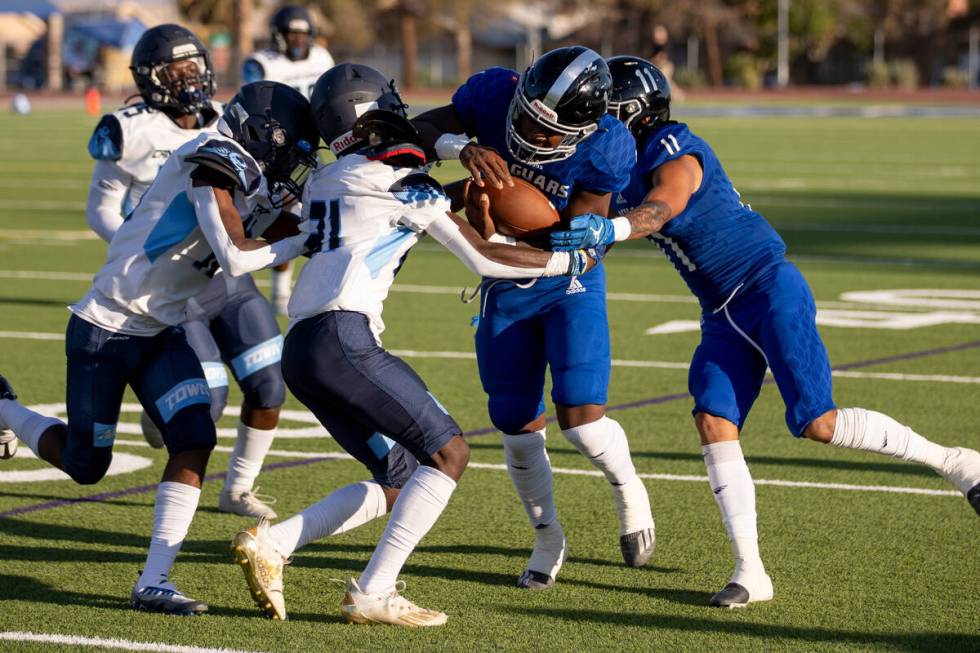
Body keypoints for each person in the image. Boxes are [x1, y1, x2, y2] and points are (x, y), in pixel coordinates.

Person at [551, 55, 980, 608]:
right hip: (721, 312)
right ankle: (751, 571)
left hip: (766, 288)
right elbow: (598, 227)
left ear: (632, 111)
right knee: (713, 418)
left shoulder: (673, 147)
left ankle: (955, 463)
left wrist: (610, 226)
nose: (592, 120)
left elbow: (663, 205)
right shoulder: (615, 161)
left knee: (818, 424)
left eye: (603, 110)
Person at [230, 63, 599, 626]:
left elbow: (393, 205)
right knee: (450, 453)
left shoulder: (333, 177)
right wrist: (569, 260)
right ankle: (373, 591)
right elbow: (483, 258)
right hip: (344, 338)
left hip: (303, 349)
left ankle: (274, 544)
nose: (400, 115)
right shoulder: (401, 182)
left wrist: (460, 187)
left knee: (402, 478)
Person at [0, 81, 318, 615]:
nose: (298, 159)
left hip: (161, 331)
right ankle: (4, 406)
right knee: (86, 465)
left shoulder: (253, 176)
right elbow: (238, 256)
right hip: (107, 328)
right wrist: (308, 237)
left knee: (194, 437)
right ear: (265, 133)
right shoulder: (211, 158)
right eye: (295, 145)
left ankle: (154, 581)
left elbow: (295, 221)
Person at [409, 46, 655, 590]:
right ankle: (548, 537)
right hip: (504, 280)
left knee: (584, 421)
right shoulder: (495, 92)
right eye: (523, 118)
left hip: (566, 279)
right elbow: (417, 133)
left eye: (547, 132)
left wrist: (502, 220)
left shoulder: (607, 145)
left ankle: (627, 486)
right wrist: (461, 148)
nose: (529, 134)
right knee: (514, 422)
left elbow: (582, 243)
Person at [86, 24, 285, 519]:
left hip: (228, 273)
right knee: (208, 402)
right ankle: (160, 413)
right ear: (152, 77)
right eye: (177, 69)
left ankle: (237, 488)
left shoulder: (227, 119)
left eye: (195, 64)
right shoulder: (128, 128)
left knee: (269, 384)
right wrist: (149, 253)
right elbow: (101, 210)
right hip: (173, 283)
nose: (190, 77)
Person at [243, 4, 335, 314]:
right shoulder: (261, 63)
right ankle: (279, 291)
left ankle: (293, 289)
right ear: (278, 36)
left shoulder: (322, 57)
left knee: (316, 211)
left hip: (312, 146)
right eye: (291, 34)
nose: (297, 40)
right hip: (275, 151)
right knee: (276, 213)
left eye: (302, 34)